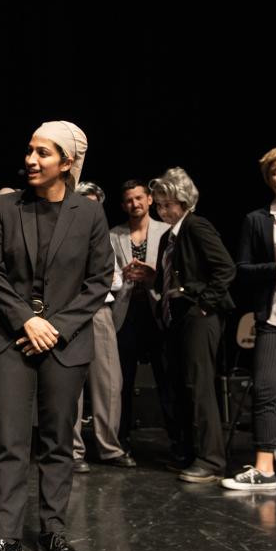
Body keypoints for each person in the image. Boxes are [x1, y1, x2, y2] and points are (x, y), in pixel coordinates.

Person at [0, 121, 112, 551]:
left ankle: (53, 531)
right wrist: (26, 319)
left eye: (43, 153)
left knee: (56, 443)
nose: (30, 159)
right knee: (10, 443)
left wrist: (55, 326)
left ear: (66, 163)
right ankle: (6, 538)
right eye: (29, 150)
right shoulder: (6, 206)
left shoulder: (88, 214)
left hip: (63, 344)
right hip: (10, 337)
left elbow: (98, 281)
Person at [224, 147, 276, 490]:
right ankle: (265, 467)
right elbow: (239, 270)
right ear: (268, 180)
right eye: (275, 171)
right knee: (266, 389)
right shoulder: (258, 219)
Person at [150, 167, 234, 483]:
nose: (163, 209)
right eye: (159, 204)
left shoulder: (197, 226)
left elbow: (225, 269)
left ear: (184, 202)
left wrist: (204, 305)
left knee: (200, 387)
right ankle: (189, 452)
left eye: (168, 203)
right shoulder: (171, 237)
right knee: (183, 387)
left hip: (200, 316)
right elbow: (172, 276)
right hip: (178, 318)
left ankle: (212, 461)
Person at [70, 182, 134, 472]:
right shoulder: (62, 232)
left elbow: (117, 280)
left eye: (96, 203)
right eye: (86, 202)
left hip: (98, 310)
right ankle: (71, 451)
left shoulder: (103, 238)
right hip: (68, 311)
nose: (91, 208)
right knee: (70, 384)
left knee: (109, 382)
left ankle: (109, 447)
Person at [109, 180, 174, 453]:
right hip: (125, 312)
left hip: (157, 309)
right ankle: (119, 440)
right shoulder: (114, 234)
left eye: (138, 198)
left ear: (149, 200)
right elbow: (106, 274)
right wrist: (121, 277)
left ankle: (177, 440)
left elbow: (175, 273)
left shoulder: (167, 230)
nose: (134, 204)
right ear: (123, 205)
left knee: (167, 378)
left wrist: (153, 277)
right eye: (128, 200)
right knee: (121, 380)